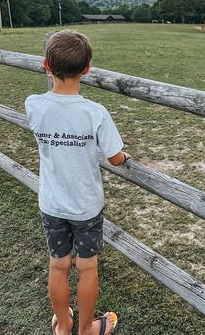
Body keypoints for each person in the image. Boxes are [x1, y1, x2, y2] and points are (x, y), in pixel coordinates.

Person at [25, 30, 129, 335]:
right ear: (86, 68)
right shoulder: (94, 113)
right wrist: (125, 156)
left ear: (46, 65)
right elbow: (114, 157)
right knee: (87, 267)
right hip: (86, 207)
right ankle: (85, 330)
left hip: (52, 204)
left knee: (58, 265)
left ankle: (63, 325)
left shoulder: (34, 105)